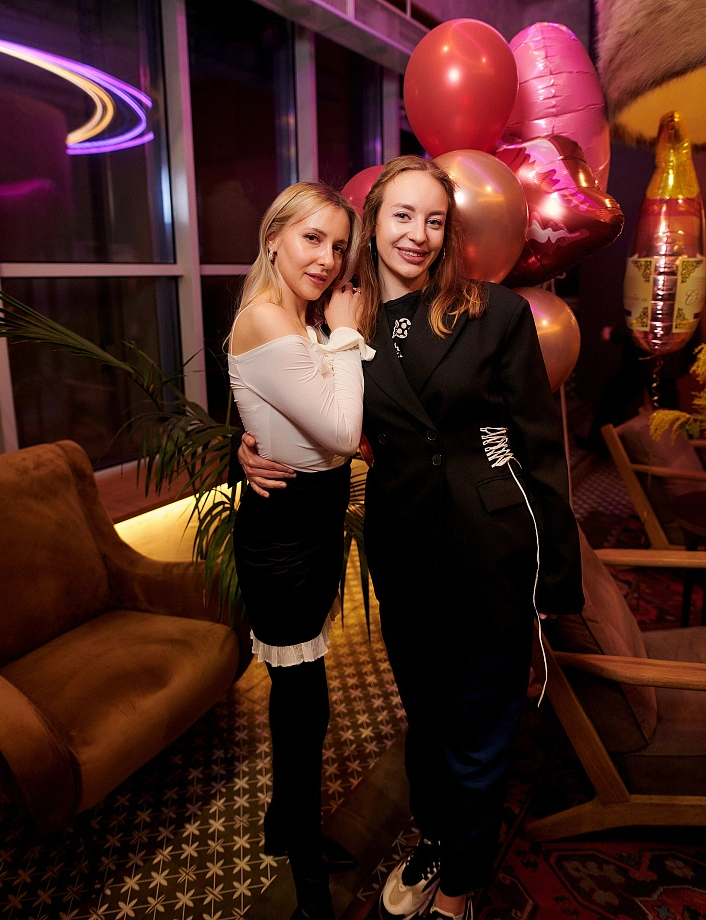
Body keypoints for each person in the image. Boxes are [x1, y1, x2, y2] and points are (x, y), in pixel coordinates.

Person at [237, 156, 584, 920]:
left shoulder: (493, 312)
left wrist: (556, 572)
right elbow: (286, 392)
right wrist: (248, 446)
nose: (418, 234)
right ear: (373, 224)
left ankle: (459, 885)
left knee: (480, 726)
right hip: (403, 546)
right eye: (402, 216)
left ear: (449, 232)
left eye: (434, 220)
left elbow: (540, 448)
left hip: (488, 548)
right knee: (425, 720)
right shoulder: (343, 320)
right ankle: (435, 836)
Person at [227, 181, 373, 920]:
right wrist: (346, 333)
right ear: (274, 238)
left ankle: (283, 823)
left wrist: (243, 447)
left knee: (303, 697)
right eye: (312, 238)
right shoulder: (265, 316)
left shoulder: (299, 319)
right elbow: (343, 433)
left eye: (339, 245)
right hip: (282, 538)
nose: (327, 258)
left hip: (312, 529)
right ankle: (306, 868)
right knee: (304, 703)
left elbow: (280, 414)